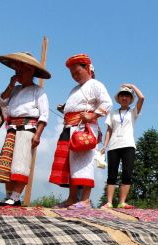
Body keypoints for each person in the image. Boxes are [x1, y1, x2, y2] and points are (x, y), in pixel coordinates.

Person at [48, 54, 112, 209]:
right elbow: (77, 105)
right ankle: (71, 199)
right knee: (72, 165)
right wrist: (65, 109)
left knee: (84, 163)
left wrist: (93, 115)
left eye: (77, 72)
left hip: (85, 128)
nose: (75, 76)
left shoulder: (95, 84)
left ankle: (85, 200)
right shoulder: (75, 89)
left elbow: (107, 103)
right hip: (70, 127)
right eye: (72, 74)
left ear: (87, 68)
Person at [0, 52, 50, 206]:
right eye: (17, 72)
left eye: (22, 71)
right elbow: (1, 102)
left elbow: (44, 115)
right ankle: (9, 196)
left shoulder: (39, 91)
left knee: (21, 162)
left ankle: (16, 197)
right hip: (11, 128)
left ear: (31, 72)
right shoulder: (15, 90)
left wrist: (37, 135)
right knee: (7, 162)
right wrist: (11, 85)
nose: (18, 75)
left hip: (28, 128)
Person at [100, 84, 144, 209]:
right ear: (118, 98)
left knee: (127, 173)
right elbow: (109, 130)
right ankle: (109, 202)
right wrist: (104, 145)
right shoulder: (112, 113)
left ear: (130, 99)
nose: (124, 98)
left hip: (128, 145)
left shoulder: (133, 112)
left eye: (127, 96)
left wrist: (131, 86)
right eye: (122, 95)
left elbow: (142, 98)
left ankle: (122, 202)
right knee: (112, 174)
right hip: (113, 145)